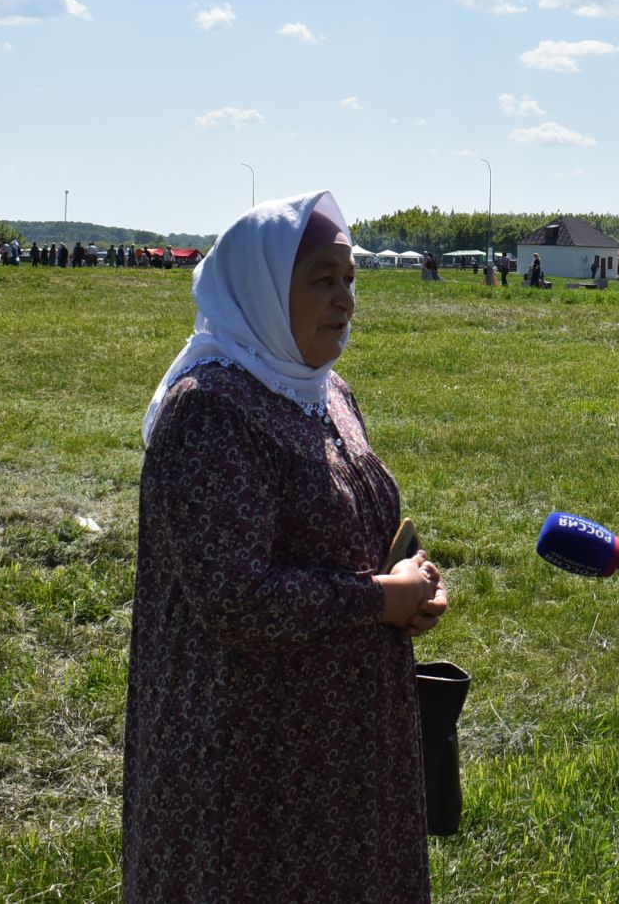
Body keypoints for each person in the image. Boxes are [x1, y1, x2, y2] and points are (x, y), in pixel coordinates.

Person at [125, 192, 445, 903]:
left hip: (346, 748)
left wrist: (411, 579)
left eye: (351, 278)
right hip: (252, 761)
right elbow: (237, 600)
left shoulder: (330, 393)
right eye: (321, 279)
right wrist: (376, 600)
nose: (345, 299)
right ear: (264, 290)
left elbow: (361, 525)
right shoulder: (209, 411)